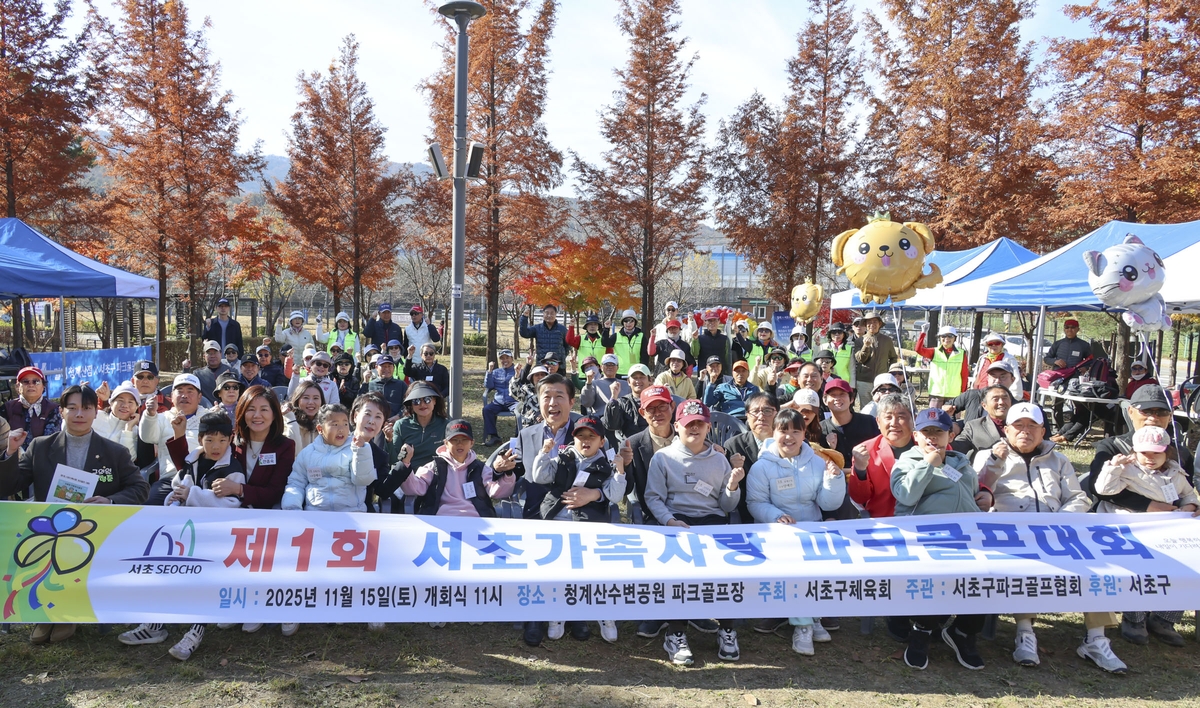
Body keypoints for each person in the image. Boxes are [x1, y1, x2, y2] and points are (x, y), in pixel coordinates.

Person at [973, 402, 1127, 673]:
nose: (1025, 432)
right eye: (1018, 426)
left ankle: (1096, 639)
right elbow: (978, 489)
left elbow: (1079, 497)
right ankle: (1025, 632)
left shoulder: (1059, 459)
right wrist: (995, 463)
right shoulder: (990, 456)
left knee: (1096, 566)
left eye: (1032, 426)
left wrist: (1061, 519)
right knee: (1025, 566)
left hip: (1058, 531)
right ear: (1006, 430)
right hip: (1013, 535)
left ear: (1043, 430)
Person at [2, 385, 147, 645]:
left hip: (94, 532)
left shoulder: (114, 452)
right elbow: (10, 485)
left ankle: (67, 613)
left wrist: (111, 500)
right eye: (72, 408)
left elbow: (140, 488)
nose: (79, 413)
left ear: (95, 412)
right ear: (61, 412)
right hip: (51, 530)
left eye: (86, 408)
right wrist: (11, 452)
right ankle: (45, 615)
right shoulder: (40, 447)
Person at [119, 411, 244, 660]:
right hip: (185, 533)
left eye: (221, 440)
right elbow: (178, 488)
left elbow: (232, 505)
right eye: (209, 440)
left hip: (217, 539)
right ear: (200, 439)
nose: (215, 446)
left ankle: (196, 631)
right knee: (164, 571)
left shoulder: (233, 469)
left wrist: (193, 496)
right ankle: (155, 625)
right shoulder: (192, 461)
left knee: (204, 582)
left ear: (230, 439)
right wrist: (174, 500)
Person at [645, 399, 745, 665]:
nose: (695, 429)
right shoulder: (663, 458)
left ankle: (727, 629)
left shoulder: (720, 460)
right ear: (677, 426)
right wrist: (669, 521)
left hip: (713, 524)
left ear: (708, 427)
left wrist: (732, 487)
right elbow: (653, 498)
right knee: (681, 575)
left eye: (700, 424)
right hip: (678, 523)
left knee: (726, 575)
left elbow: (726, 506)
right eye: (689, 424)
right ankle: (676, 633)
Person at [891, 408, 989, 671]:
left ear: (950, 435)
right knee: (938, 575)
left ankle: (963, 631)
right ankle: (922, 630)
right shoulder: (907, 462)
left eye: (939, 432)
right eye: (926, 432)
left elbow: (970, 493)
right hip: (925, 538)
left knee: (988, 575)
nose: (932, 438)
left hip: (967, 537)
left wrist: (985, 497)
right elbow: (906, 495)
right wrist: (927, 465)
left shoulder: (961, 461)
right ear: (916, 436)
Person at [491, 373, 583, 647]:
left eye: (559, 397)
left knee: (576, 559)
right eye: (547, 397)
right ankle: (536, 615)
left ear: (571, 401)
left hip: (574, 509)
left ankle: (576, 612)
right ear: (539, 402)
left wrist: (595, 493)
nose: (553, 403)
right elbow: (517, 470)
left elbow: (603, 470)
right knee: (538, 561)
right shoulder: (527, 434)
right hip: (537, 513)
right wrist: (501, 469)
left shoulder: (587, 429)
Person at [746, 408, 846, 656]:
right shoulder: (762, 466)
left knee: (817, 566)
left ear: (804, 434)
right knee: (795, 568)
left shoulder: (817, 461)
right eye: (783, 430)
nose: (789, 437)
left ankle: (812, 618)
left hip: (810, 528)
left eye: (795, 431)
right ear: (774, 432)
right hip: (775, 532)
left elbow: (828, 504)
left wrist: (834, 480)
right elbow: (755, 503)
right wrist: (775, 516)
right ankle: (804, 625)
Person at [1095, 424, 1196, 648]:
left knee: (1183, 566)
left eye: (1156, 453)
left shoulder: (1174, 472)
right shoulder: (1128, 469)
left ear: (1166, 452)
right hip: (1129, 532)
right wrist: (1113, 467)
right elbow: (1104, 489)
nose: (1150, 458)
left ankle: (1164, 619)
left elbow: (1188, 493)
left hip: (1165, 532)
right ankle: (1134, 618)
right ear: (1135, 452)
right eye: (1144, 453)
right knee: (1138, 573)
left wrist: (1190, 505)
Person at [528, 415, 625, 643]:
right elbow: (539, 476)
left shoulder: (607, 465)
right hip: (557, 522)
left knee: (595, 572)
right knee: (556, 570)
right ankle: (557, 614)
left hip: (588, 525)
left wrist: (619, 473)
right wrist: (544, 453)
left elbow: (615, 495)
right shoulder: (564, 458)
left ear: (602, 441)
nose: (585, 441)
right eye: (580, 436)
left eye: (591, 437)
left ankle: (604, 615)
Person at [1089, 385, 1195, 512]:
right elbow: (1096, 487)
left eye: (1162, 412)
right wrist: (1147, 505)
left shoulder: (1181, 454)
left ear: (1171, 416)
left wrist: (1192, 506)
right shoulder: (1112, 447)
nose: (1153, 418)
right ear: (1130, 411)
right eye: (1146, 411)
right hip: (1117, 520)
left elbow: (1186, 493)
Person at [283, 403, 376, 515]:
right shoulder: (307, 453)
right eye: (335, 424)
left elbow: (363, 480)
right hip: (316, 515)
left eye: (345, 424)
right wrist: (292, 508)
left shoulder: (356, 449)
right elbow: (296, 483)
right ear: (320, 429)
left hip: (352, 513)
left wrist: (361, 451)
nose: (341, 429)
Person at [847, 394, 912, 519]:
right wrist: (860, 470)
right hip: (884, 522)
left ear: (913, 419)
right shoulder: (865, 451)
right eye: (888, 417)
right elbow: (859, 497)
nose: (894, 423)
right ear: (878, 421)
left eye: (901, 417)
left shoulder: (926, 446)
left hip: (924, 520)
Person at [230, 385, 295, 511]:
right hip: (231, 515)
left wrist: (239, 489)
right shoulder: (230, 441)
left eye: (264, 410)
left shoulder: (285, 446)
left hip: (266, 519)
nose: (257, 415)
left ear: (274, 414)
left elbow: (276, 492)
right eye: (251, 409)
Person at [139, 373, 204, 494]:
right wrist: (150, 415)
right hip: (170, 479)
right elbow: (147, 437)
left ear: (199, 397)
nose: (184, 396)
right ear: (172, 396)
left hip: (202, 478)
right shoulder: (162, 418)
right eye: (179, 391)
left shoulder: (208, 417)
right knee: (150, 506)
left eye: (190, 391)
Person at [1044, 318, 1091, 433]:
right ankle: (1059, 429)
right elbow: (1047, 358)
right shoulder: (1058, 344)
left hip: (1075, 380)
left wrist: (1086, 367)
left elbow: (1091, 360)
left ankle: (1076, 429)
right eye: (1067, 327)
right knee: (1057, 405)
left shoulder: (1084, 345)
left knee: (1080, 405)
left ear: (1077, 329)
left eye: (1072, 327)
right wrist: (1055, 361)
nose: (1070, 329)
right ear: (1064, 329)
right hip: (1059, 378)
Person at [388, 382, 448, 472]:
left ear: (435, 401)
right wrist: (389, 440)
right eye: (416, 401)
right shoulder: (401, 425)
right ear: (411, 404)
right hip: (408, 477)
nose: (422, 404)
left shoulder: (446, 425)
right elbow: (395, 460)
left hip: (437, 477)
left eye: (427, 399)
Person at [820, 378, 879, 465]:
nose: (837, 398)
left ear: (851, 399)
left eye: (842, 394)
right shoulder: (821, 429)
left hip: (869, 475)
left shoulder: (869, 422)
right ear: (825, 401)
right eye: (833, 395)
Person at [4, 366, 61, 451]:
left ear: (43, 386)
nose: (31, 385)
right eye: (25, 382)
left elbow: (50, 441)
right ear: (17, 387)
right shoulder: (6, 408)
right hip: (12, 459)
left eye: (36, 381)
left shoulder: (53, 409)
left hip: (41, 459)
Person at [944, 359, 1019, 423]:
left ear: (1012, 380)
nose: (997, 381)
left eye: (1003, 377)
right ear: (988, 378)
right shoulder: (972, 395)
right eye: (993, 376)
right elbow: (946, 408)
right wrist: (953, 426)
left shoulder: (1017, 407)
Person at [951, 385, 1013, 458]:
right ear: (984, 406)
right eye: (995, 399)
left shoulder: (1022, 423)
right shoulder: (974, 426)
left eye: (1005, 398)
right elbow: (956, 448)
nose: (1001, 402)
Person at [914, 325, 968, 409]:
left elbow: (964, 374)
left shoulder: (962, 353)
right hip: (936, 392)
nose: (947, 338)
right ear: (939, 338)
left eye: (950, 336)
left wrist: (963, 391)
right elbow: (918, 349)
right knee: (934, 419)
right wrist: (923, 333)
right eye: (943, 336)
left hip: (953, 393)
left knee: (952, 421)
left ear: (955, 338)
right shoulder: (934, 352)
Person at [853, 313, 898, 408]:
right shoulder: (859, 341)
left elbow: (893, 357)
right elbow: (860, 359)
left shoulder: (887, 340)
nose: (872, 324)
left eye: (875, 322)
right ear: (865, 324)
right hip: (864, 380)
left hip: (882, 380)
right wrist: (866, 346)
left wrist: (890, 372)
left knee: (883, 407)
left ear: (880, 324)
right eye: (869, 322)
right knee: (866, 408)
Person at [601, 363, 653, 446]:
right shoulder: (622, 402)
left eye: (642, 377)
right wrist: (613, 397)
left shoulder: (656, 401)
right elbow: (611, 425)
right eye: (635, 378)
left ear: (650, 380)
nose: (638, 381)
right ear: (628, 381)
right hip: (630, 446)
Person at [92, 382, 141, 458]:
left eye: (130, 402)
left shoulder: (137, 432)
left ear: (136, 407)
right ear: (111, 403)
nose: (125, 405)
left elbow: (128, 459)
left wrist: (128, 429)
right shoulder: (95, 416)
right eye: (120, 400)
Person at [481, 349, 518, 446]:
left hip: (513, 401)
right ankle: (494, 436)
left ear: (512, 359)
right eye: (502, 358)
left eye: (507, 358)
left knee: (520, 411)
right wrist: (489, 371)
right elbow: (488, 386)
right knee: (487, 410)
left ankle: (518, 437)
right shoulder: (496, 372)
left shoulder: (517, 370)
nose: (505, 360)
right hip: (499, 401)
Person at [972, 332, 1022, 401]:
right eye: (990, 344)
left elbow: (1016, 380)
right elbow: (976, 377)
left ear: (1002, 345)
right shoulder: (982, 358)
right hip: (981, 396)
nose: (993, 346)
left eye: (997, 343)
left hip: (999, 398)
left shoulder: (1009, 359)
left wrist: (1014, 398)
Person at [367, 355, 407, 436]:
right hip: (375, 426)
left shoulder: (401, 385)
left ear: (394, 367)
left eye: (389, 366)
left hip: (398, 424)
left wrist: (398, 416)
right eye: (383, 366)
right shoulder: (370, 384)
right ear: (376, 367)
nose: (387, 369)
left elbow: (408, 405)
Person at [603, 309, 650, 375]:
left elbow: (645, 355)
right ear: (622, 322)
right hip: (619, 372)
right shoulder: (616, 336)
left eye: (631, 321)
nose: (628, 323)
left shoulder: (641, 336)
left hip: (636, 371)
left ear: (635, 322)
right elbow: (605, 343)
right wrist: (606, 329)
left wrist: (643, 370)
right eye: (626, 321)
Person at [284, 380, 324, 455]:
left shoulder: (326, 423)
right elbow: (292, 452)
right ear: (297, 400)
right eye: (306, 398)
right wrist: (291, 421)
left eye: (316, 398)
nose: (311, 402)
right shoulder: (287, 421)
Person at [691, 310, 731, 375]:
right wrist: (695, 340)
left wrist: (728, 374)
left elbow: (728, 359)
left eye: (714, 320)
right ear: (705, 322)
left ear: (719, 322)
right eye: (709, 320)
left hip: (721, 375)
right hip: (704, 375)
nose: (712, 323)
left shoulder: (725, 339)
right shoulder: (700, 338)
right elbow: (695, 354)